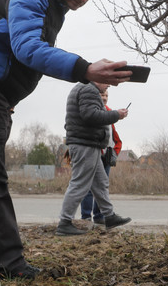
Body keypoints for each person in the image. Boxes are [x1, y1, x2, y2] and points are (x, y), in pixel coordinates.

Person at [0, 0, 134, 280]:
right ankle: (7, 265)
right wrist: (84, 69)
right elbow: (26, 48)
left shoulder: (50, 1)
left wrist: (6, 98)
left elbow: (16, 52)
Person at [56, 82, 131, 235]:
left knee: (100, 182)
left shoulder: (83, 88)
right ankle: (64, 222)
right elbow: (91, 115)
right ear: (100, 77)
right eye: (108, 83)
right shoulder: (88, 89)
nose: (109, 86)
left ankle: (109, 216)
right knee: (79, 183)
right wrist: (116, 114)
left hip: (89, 144)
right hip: (85, 145)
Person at [79, 87, 122, 224]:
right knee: (88, 187)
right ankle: (86, 217)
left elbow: (115, 137)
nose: (104, 97)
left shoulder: (109, 112)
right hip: (93, 152)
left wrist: (115, 151)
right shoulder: (90, 111)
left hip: (107, 154)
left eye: (106, 95)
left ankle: (99, 216)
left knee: (103, 186)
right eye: (102, 94)